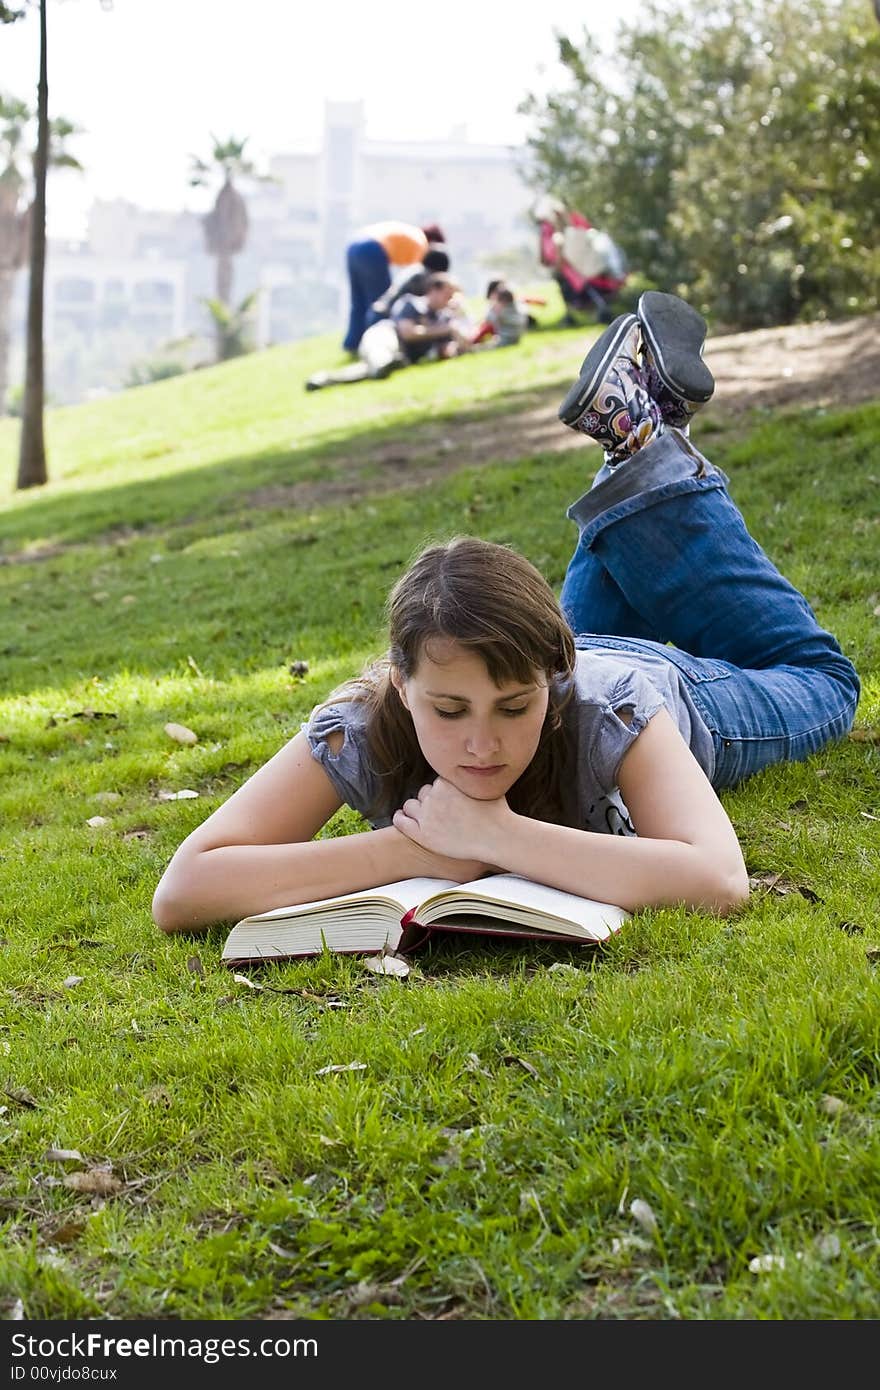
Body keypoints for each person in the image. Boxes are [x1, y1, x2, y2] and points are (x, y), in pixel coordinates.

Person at [153, 292, 859, 934]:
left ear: (549, 682)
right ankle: (643, 433)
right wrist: (410, 848)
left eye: (513, 708)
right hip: (550, 645)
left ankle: (646, 441)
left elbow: (716, 878)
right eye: (451, 711)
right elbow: (184, 890)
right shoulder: (364, 724)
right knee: (601, 586)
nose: (482, 746)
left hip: (655, 685)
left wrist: (495, 837)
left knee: (828, 681)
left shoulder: (609, 708)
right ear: (400, 683)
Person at [306, 273, 471, 391]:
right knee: (381, 355)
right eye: (447, 294)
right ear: (433, 290)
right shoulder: (412, 303)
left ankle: (324, 379)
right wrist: (445, 329)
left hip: (401, 355)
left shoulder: (445, 318)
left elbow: (463, 343)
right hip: (384, 335)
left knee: (369, 369)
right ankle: (385, 363)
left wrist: (459, 316)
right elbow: (408, 333)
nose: (449, 300)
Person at [342, 220, 448, 353]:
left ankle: (352, 344)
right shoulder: (421, 244)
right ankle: (375, 345)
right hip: (372, 248)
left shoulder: (412, 234)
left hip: (354, 245)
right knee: (381, 302)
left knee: (358, 300)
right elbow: (419, 278)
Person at [533, 195, 627, 326]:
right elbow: (545, 259)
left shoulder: (572, 225)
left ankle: (595, 311)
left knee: (587, 290)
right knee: (572, 291)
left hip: (581, 269)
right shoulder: (547, 232)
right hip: (569, 273)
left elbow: (581, 240)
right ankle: (574, 316)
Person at [470, 280, 531, 348]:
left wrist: (493, 308)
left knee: (479, 347)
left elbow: (487, 321)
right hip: (517, 337)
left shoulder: (500, 313)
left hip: (506, 340)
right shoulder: (518, 307)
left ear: (502, 302)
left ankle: (471, 344)